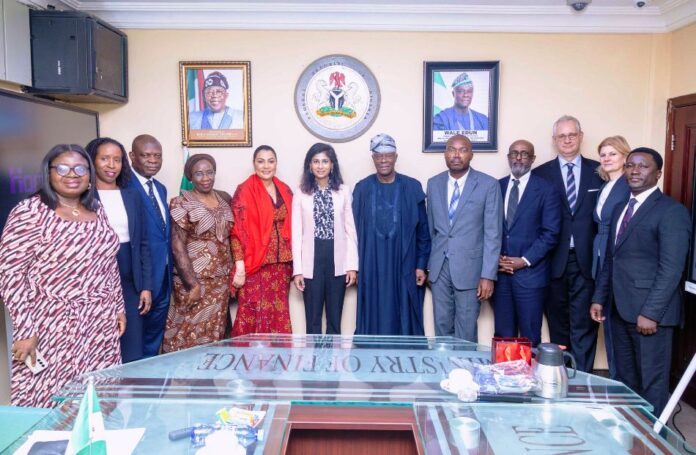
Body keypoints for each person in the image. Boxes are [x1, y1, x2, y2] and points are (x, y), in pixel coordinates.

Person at [0, 144, 125, 407]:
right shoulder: (30, 212)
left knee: (99, 396)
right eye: (63, 168)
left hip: (99, 322)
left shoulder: (96, 209)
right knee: (52, 398)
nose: (73, 174)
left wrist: (118, 308)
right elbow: (10, 274)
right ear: (49, 173)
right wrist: (24, 329)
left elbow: (108, 263)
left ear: (90, 175)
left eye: (80, 168)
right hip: (51, 323)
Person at [591, 148, 690, 415]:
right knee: (625, 378)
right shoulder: (620, 208)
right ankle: (629, 431)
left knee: (652, 381)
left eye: (643, 166)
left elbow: (671, 269)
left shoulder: (672, 212)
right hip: (618, 308)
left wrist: (651, 313)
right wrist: (600, 297)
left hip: (650, 315)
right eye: (631, 166)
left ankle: (651, 440)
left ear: (658, 173)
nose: (635, 171)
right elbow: (611, 259)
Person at [532, 115, 603, 372]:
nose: (567, 140)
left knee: (585, 325)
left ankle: (583, 380)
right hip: (552, 260)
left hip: (587, 261)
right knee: (558, 324)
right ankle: (561, 378)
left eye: (572, 134)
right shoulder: (540, 174)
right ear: (554, 141)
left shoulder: (600, 172)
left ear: (581, 137)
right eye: (561, 136)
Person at [352, 133, 431, 336]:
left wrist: (421, 265)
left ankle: (404, 363)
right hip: (371, 266)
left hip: (404, 264)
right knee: (372, 313)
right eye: (379, 156)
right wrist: (353, 266)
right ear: (373, 159)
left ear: (396, 157)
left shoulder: (412, 187)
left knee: (405, 315)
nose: (384, 160)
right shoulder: (362, 189)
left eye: (388, 155)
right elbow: (351, 233)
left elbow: (424, 231)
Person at [427, 134, 502, 342]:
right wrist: (428, 266)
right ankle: (444, 371)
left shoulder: (488, 185)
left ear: (471, 154)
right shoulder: (434, 184)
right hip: (439, 267)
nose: (457, 154)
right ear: (445, 153)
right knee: (441, 325)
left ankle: (465, 372)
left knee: (466, 328)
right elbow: (432, 229)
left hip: (471, 269)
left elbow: (493, 234)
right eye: (452, 149)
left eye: (463, 150)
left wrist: (488, 275)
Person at [87, 137, 152, 363]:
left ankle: (128, 396)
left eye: (117, 160)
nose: (111, 165)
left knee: (132, 347)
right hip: (95, 279)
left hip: (130, 277)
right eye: (104, 159)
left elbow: (142, 242)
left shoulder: (131, 194)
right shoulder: (83, 196)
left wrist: (145, 285)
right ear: (92, 161)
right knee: (101, 344)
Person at [493, 140, 561, 346]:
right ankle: (504, 376)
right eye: (514, 153)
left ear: (532, 159)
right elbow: (488, 228)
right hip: (500, 274)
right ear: (508, 158)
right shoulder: (497, 186)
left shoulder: (547, 189)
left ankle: (529, 378)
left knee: (530, 335)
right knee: (503, 334)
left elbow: (551, 233)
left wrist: (524, 260)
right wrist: (494, 258)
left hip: (531, 275)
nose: (519, 158)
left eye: (524, 154)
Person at [162, 154, 233, 352]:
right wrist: (192, 284)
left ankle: (206, 378)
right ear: (190, 177)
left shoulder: (224, 198)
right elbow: (177, 245)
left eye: (209, 172)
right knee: (186, 333)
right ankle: (183, 379)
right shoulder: (181, 202)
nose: (205, 178)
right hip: (194, 281)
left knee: (214, 334)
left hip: (220, 281)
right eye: (199, 174)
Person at [292, 143, 358, 335]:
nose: (320, 166)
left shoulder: (343, 191)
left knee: (335, 321)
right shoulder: (301, 192)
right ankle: (314, 363)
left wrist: (352, 265)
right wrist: (298, 271)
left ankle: (333, 363)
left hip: (337, 259)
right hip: (310, 261)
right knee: (312, 321)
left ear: (332, 165)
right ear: (309, 166)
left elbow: (350, 230)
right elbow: (296, 233)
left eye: (325, 161)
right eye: (316, 162)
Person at [230, 145, 293, 336]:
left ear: (276, 164)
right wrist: (240, 267)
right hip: (255, 264)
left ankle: (276, 362)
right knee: (251, 313)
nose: (266, 166)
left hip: (281, 265)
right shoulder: (244, 190)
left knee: (277, 314)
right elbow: (236, 232)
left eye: (271, 161)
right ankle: (248, 363)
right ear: (254, 164)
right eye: (261, 161)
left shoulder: (285, 189)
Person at [128, 134, 172, 357]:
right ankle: (136, 387)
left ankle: (151, 385)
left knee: (154, 337)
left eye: (157, 156)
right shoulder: (124, 188)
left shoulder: (160, 188)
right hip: (139, 279)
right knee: (135, 339)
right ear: (132, 156)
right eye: (146, 155)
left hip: (163, 276)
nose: (153, 160)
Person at [592, 135, 631, 379]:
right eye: (603, 154)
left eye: (612, 154)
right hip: (600, 252)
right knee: (609, 323)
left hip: (616, 254)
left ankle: (621, 383)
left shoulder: (629, 185)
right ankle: (617, 382)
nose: (606, 158)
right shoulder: (606, 185)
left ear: (625, 157)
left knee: (618, 325)